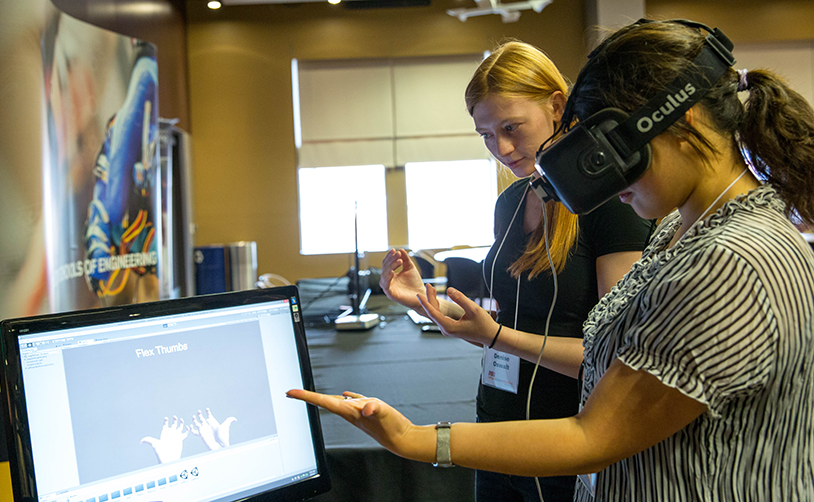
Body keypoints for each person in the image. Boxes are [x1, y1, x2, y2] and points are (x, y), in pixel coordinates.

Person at [289, 19, 814, 501]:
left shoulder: (728, 260)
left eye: (610, 151)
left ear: (683, 117)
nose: (603, 177)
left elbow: (594, 434)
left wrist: (415, 439)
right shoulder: (684, 233)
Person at [379, 41, 653, 501]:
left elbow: (615, 356)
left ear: (558, 106)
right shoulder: (510, 203)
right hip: (499, 430)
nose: (500, 149)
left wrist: (497, 338)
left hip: (568, 441)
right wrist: (422, 300)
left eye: (511, 128)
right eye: (486, 135)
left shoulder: (612, 204)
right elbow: (503, 319)